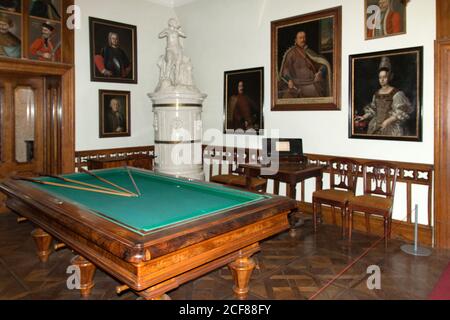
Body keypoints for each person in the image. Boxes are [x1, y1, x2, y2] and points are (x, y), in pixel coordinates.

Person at [355, 56, 414, 136]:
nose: (382, 80)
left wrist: (387, 121)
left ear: (389, 77)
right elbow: (373, 109)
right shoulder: (376, 94)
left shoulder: (397, 93)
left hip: (390, 126)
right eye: (380, 78)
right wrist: (364, 117)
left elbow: (401, 111)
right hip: (376, 125)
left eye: (384, 77)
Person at [279, 31, 332, 99]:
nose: (303, 40)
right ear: (296, 40)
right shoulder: (291, 53)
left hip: (312, 83)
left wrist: (320, 72)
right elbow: (285, 69)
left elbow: (322, 65)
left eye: (304, 37)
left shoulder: (309, 52)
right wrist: (289, 80)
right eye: (300, 38)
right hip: (298, 85)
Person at [158, 18, 186, 85]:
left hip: (178, 49)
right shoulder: (167, 30)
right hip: (170, 49)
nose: (175, 24)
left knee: (177, 64)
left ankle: (177, 80)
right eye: (174, 22)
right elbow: (160, 35)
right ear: (171, 23)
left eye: (175, 23)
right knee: (169, 61)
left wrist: (177, 30)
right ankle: (167, 77)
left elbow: (184, 35)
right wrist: (165, 32)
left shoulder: (177, 31)